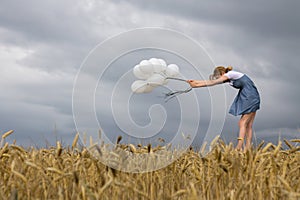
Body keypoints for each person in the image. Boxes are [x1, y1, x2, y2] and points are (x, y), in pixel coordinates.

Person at [187, 66, 260, 151]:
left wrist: (196, 85)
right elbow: (210, 83)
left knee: (242, 122)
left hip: (249, 96)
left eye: (218, 77)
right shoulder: (229, 78)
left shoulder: (229, 74)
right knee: (248, 125)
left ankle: (239, 147)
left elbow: (212, 82)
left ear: (221, 74)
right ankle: (247, 149)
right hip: (252, 95)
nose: (218, 79)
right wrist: (195, 82)